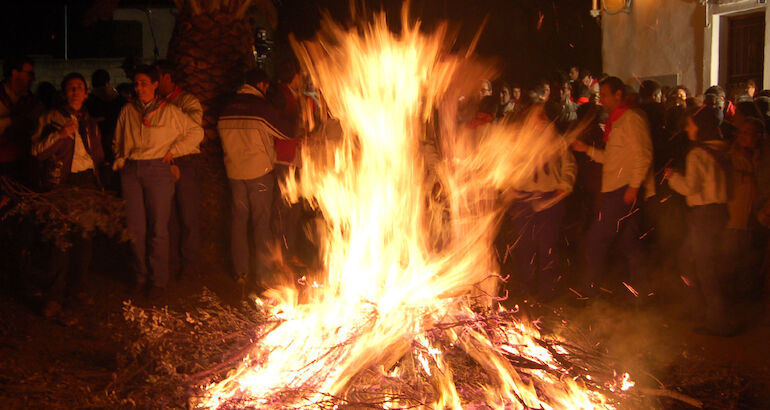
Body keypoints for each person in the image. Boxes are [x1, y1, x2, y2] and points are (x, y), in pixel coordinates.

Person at [113, 64, 202, 299]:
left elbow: (196, 132)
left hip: (158, 170)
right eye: (136, 83)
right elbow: (118, 139)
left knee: (158, 229)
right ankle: (140, 276)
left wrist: (174, 151)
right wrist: (121, 159)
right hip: (132, 171)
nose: (139, 87)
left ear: (155, 85)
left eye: (144, 83)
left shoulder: (170, 112)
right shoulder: (128, 111)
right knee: (135, 228)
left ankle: (158, 280)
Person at [30, 72, 105, 323]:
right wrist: (60, 135)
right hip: (60, 183)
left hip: (85, 184)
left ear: (86, 93)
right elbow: (37, 151)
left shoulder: (90, 123)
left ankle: (78, 287)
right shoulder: (50, 119)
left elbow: (98, 156)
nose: (75, 91)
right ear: (64, 93)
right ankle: (54, 295)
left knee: (84, 239)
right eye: (71, 88)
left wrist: (99, 183)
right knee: (59, 240)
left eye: (79, 88)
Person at [571, 76, 654, 299]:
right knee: (629, 245)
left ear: (619, 95)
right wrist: (586, 149)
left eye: (605, 95)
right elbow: (612, 158)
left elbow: (643, 155)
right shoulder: (616, 121)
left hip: (623, 191)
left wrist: (633, 188)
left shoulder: (632, 119)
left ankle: (589, 293)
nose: (602, 100)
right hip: (618, 189)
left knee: (595, 241)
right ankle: (642, 294)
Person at [218, 69, 294, 293]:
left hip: (234, 174)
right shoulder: (261, 108)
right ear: (262, 84)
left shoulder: (227, 108)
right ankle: (262, 276)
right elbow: (287, 133)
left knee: (238, 223)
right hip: (259, 174)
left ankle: (240, 272)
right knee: (262, 224)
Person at [664, 106, 733, 335]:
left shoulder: (697, 154)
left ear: (701, 127)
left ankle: (717, 322)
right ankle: (699, 309)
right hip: (720, 213)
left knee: (704, 268)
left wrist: (673, 177)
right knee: (691, 260)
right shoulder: (721, 150)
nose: (687, 128)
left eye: (691, 124)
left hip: (703, 215)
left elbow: (690, 187)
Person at [501, 127, 576, 302]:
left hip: (549, 197)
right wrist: (508, 188)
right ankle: (525, 289)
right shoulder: (518, 141)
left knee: (547, 245)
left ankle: (546, 291)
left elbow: (569, 164)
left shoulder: (557, 141)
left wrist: (565, 185)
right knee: (524, 245)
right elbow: (506, 165)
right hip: (523, 198)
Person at [155, 60, 205, 279]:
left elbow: (191, 129)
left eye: (158, 77)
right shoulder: (158, 103)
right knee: (169, 216)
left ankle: (191, 264)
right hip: (164, 162)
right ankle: (173, 261)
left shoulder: (188, 101)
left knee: (188, 214)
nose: (155, 83)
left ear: (168, 77)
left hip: (185, 162)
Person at [0, 55, 43, 185]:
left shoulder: (32, 102)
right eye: (29, 73)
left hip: (23, 166)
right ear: (14, 73)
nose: (33, 78)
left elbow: (35, 131)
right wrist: (12, 121)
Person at [86, 69, 126, 191]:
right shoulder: (120, 100)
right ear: (108, 81)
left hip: (97, 141)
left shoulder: (89, 101)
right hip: (116, 140)